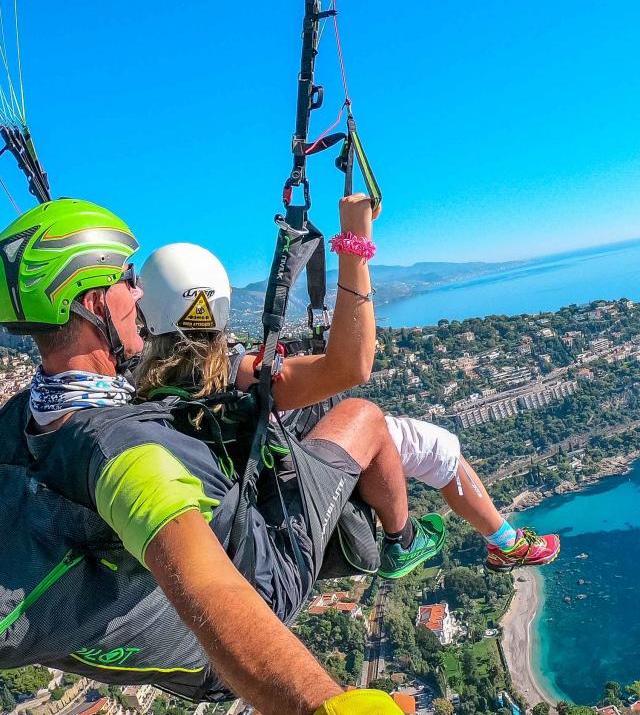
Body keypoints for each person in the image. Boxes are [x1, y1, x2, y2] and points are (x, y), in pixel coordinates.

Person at [0, 197, 435, 715]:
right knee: (363, 416)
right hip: (263, 583)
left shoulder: (18, 421)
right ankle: (400, 541)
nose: (136, 291)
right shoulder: (124, 453)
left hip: (173, 646)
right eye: (125, 277)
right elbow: (210, 587)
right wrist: (325, 705)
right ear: (94, 303)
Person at [136, 194, 560, 573]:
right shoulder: (237, 377)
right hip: (300, 463)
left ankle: (500, 542)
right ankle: (413, 541)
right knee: (430, 445)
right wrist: (354, 245)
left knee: (428, 444)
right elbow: (352, 367)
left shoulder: (141, 385)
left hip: (260, 475)